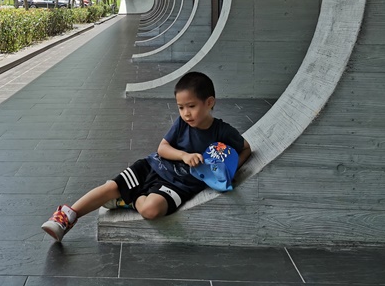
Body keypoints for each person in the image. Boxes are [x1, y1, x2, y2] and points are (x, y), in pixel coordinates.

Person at [41, 71, 252, 242]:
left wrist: (229, 171)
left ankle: (128, 200)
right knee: (111, 187)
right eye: (181, 108)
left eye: (191, 106)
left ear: (209, 102)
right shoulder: (181, 124)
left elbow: (246, 148)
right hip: (153, 166)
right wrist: (184, 155)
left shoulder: (223, 131)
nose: (186, 113)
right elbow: (162, 148)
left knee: (151, 210)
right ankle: (66, 216)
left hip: (180, 184)